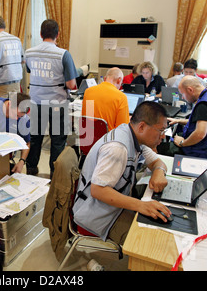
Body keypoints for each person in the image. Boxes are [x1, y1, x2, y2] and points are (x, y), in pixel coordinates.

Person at [72, 101, 171, 243]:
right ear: (142, 126)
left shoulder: (134, 135)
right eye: (161, 130)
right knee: (149, 240)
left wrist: (159, 172)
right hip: (97, 214)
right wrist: (141, 205)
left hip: (113, 206)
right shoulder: (117, 148)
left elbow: (157, 162)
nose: (163, 136)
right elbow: (98, 190)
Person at [24, 19, 78, 177]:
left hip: (36, 102)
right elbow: (71, 83)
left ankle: (31, 170)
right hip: (57, 103)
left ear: (40, 34)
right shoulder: (63, 54)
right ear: (58, 35)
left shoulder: (29, 52)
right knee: (57, 141)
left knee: (35, 139)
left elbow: (30, 70)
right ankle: (55, 174)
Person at [157, 75, 207, 159]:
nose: (182, 97)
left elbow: (200, 134)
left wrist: (182, 143)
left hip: (202, 152)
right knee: (176, 134)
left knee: (159, 146)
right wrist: (178, 120)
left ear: (190, 90)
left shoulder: (203, 105)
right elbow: (206, 121)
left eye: (183, 94)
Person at [82, 67, 129, 131]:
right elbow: (122, 128)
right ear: (119, 80)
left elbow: (88, 118)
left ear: (105, 78)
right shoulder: (121, 97)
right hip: (108, 139)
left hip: (88, 136)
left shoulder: (88, 91)